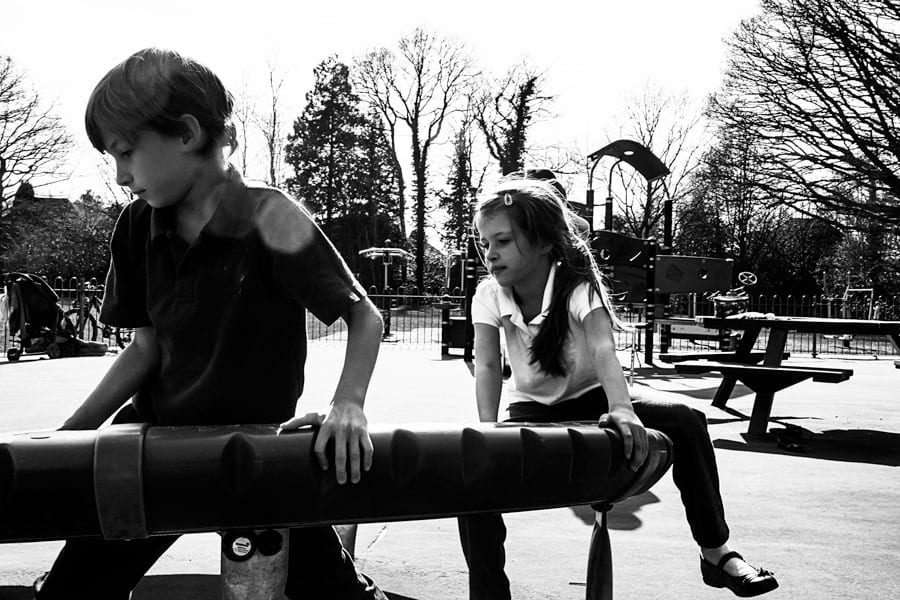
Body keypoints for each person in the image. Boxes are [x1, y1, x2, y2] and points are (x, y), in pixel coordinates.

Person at [34, 47, 386, 600]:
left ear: (187, 133)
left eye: (126, 152)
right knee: (72, 590)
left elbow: (363, 314)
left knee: (335, 593)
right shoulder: (136, 225)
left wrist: (348, 404)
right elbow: (144, 348)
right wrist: (67, 438)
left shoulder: (269, 216)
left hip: (256, 451)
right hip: (153, 448)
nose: (122, 175)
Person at [456, 173, 779, 599]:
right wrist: (486, 429)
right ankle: (489, 593)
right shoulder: (489, 294)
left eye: (502, 241)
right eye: (485, 243)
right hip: (533, 410)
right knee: (474, 468)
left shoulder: (577, 285)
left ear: (543, 242)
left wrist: (622, 407)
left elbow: (603, 347)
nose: (490, 254)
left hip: (596, 399)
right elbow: (487, 365)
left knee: (685, 418)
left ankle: (716, 552)